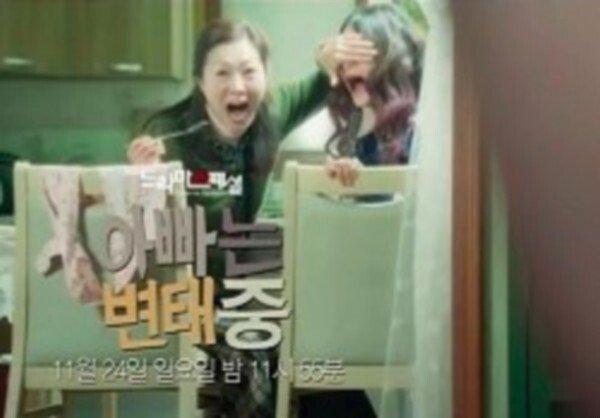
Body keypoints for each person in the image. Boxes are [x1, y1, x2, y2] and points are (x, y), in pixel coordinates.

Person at [127, 19, 377, 418]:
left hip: (249, 300)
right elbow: (142, 242)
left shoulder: (270, 113)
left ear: (266, 75)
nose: (238, 86)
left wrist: (327, 56)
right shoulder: (167, 134)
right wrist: (144, 182)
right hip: (187, 304)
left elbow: (322, 78)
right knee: (261, 349)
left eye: (248, 71)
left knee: (313, 349)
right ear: (200, 82)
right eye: (222, 73)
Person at [323, 4, 425, 186]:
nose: (345, 65)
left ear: (390, 58)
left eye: (357, 53)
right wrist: (337, 174)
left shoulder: (420, 127)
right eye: (342, 54)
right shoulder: (355, 120)